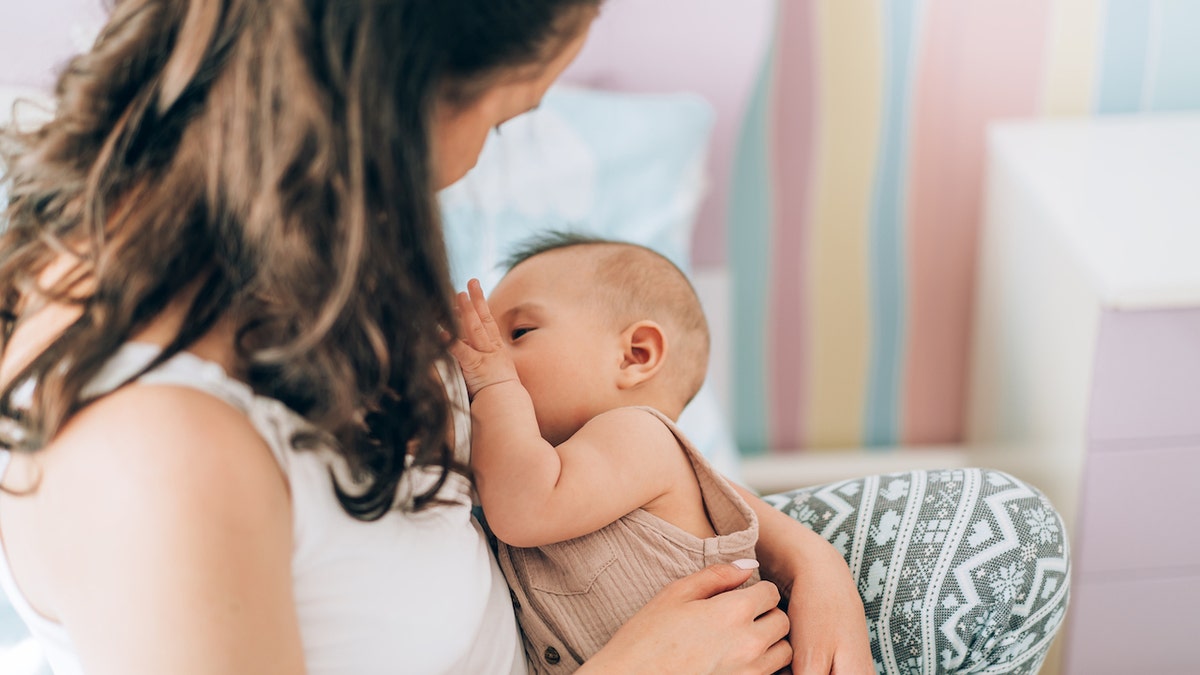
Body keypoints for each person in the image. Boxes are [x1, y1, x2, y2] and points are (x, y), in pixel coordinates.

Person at [0, 0, 1070, 672]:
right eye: (504, 117)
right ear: (385, 99)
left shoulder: (308, 240)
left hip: (570, 610)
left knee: (1005, 535)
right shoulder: (155, 455)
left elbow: (576, 461)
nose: (467, 169)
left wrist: (804, 558)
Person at [449, 234, 762, 672]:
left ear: (635, 355)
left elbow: (525, 507)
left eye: (519, 332)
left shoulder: (642, 436)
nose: (493, 354)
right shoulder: (533, 460)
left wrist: (496, 386)